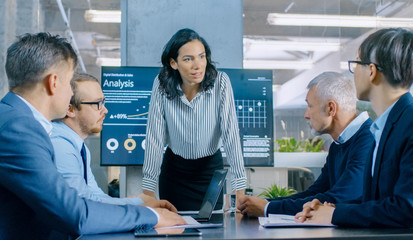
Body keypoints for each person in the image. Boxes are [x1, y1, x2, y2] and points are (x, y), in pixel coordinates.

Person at [0, 32, 185, 240]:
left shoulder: (15, 120)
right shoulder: (18, 128)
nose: (71, 93)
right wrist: (151, 215)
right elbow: (76, 213)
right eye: (70, 82)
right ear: (53, 82)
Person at [296, 28, 413, 229]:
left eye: (356, 63)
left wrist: (336, 213)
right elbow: (377, 201)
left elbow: (409, 211)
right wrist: (327, 209)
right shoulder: (383, 127)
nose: (353, 72)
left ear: (372, 71)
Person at [238, 72, 374, 217]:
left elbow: (342, 198)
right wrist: (264, 203)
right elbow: (315, 193)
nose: (306, 115)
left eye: (310, 106)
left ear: (331, 108)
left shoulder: (368, 139)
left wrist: (268, 208)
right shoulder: (339, 143)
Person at [142, 28, 247, 211]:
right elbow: (154, 138)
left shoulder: (220, 82)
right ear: (174, 63)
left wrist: (240, 187)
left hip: (210, 173)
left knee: (212, 232)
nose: (197, 65)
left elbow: (231, 135)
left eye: (201, 56)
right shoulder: (161, 84)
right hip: (174, 173)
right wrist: (148, 189)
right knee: (175, 230)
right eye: (188, 59)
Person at [51, 72, 168, 207]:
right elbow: (83, 204)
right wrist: (141, 205)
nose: (105, 110)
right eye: (97, 104)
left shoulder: (79, 147)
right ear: (69, 109)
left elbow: (95, 197)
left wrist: (141, 201)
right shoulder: (60, 146)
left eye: (103, 102)